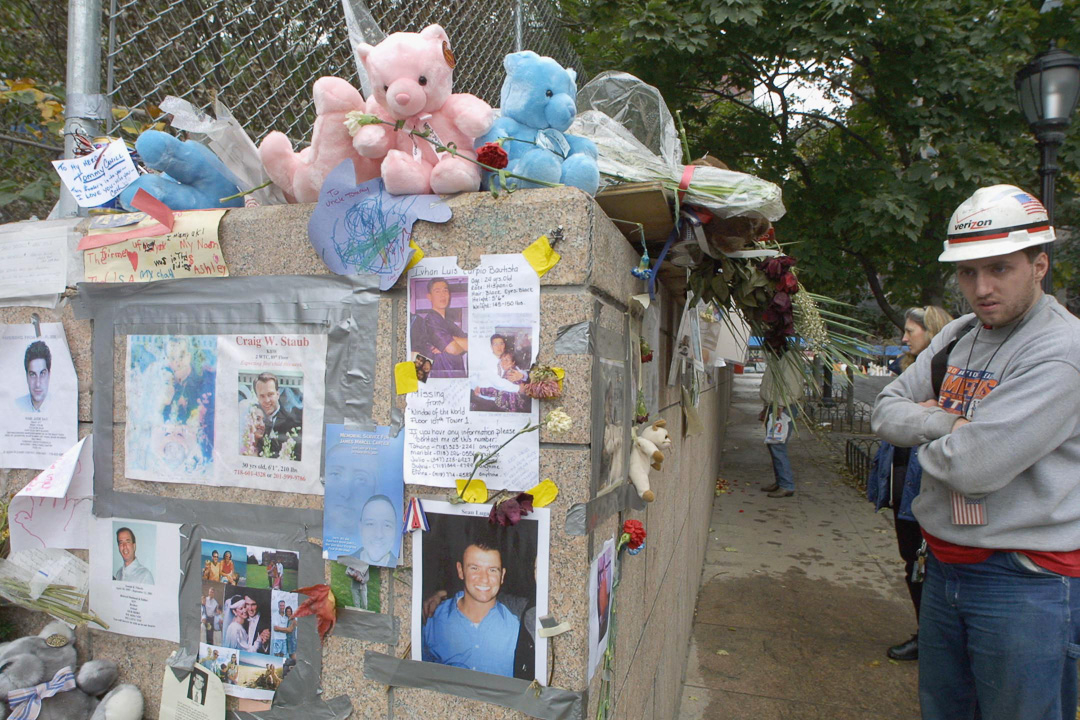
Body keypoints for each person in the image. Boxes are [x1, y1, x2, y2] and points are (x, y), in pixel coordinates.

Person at [871, 185, 1080, 720]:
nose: (980, 288)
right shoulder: (961, 334)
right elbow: (885, 412)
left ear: (1039, 265)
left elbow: (974, 466)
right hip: (946, 566)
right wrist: (951, 422)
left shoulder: (1060, 351)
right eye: (967, 272)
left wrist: (934, 435)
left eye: (999, 269)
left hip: (1024, 580)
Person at [867, 305, 953, 662]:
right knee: (912, 562)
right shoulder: (908, 372)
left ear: (932, 334)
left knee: (925, 565)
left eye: (911, 331)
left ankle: (931, 639)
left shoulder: (944, 373)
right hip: (902, 482)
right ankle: (927, 634)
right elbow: (885, 414)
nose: (904, 338)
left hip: (926, 486)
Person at [422, 539, 520, 676]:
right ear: (460, 570)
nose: (484, 579)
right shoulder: (431, 619)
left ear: (502, 575)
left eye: (492, 570)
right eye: (475, 568)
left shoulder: (517, 627)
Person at [757, 355, 806, 498]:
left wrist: (780, 404)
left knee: (778, 445)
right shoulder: (776, 358)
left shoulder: (790, 360)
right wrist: (767, 407)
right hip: (775, 406)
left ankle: (786, 484)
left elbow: (790, 386)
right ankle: (781, 481)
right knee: (773, 444)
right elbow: (772, 384)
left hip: (783, 407)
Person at [410, 278, 468, 379]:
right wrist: (452, 345)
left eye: (445, 291)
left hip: (457, 378)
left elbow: (469, 345)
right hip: (440, 379)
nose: (442, 295)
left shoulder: (450, 324)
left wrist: (450, 339)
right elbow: (452, 348)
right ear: (429, 297)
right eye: (437, 291)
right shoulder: (431, 319)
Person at [253, 373, 302, 460]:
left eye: (270, 394)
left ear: (278, 394)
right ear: (257, 397)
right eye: (262, 396)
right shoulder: (253, 421)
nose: (267, 400)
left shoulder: (294, 422)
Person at [340, 495, 399, 567]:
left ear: (395, 530)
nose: (379, 535)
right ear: (360, 528)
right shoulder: (343, 564)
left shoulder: (402, 570)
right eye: (370, 524)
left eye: (387, 525)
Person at [16, 341, 51, 413]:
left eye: (42, 374)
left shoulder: (60, 405)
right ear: (26, 376)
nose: (38, 384)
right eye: (33, 374)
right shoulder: (16, 407)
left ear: (49, 375)